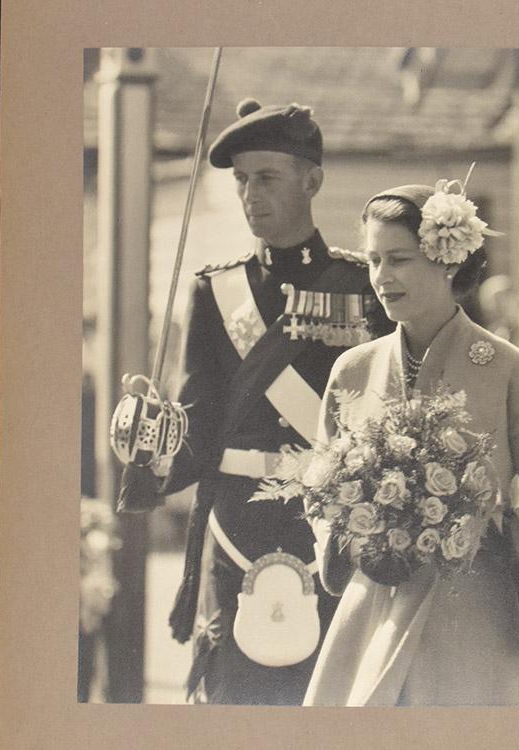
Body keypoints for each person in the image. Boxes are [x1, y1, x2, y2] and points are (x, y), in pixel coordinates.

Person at [117, 98, 391, 704]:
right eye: (241, 181)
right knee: (233, 700)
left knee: (330, 698)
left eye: (266, 178)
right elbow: (197, 424)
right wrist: (152, 447)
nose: (250, 196)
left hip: (332, 528)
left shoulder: (362, 289)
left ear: (312, 181)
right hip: (236, 523)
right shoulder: (217, 292)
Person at [303, 181, 519, 706]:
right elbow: (319, 489)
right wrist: (357, 535)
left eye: (399, 260)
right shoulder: (353, 370)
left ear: (448, 262)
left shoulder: (510, 369)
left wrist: (487, 531)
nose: (381, 278)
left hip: (478, 618)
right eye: (373, 260)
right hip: (375, 610)